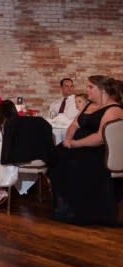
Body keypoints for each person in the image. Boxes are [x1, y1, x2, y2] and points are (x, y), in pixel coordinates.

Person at [49, 75, 123, 225]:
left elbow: (100, 137)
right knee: (54, 155)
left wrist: (75, 144)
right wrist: (67, 140)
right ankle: (66, 205)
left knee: (70, 162)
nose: (86, 90)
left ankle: (78, 210)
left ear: (102, 90)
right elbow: (74, 125)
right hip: (78, 145)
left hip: (98, 150)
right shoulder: (89, 105)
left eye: (90, 87)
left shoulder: (113, 109)